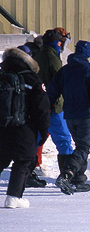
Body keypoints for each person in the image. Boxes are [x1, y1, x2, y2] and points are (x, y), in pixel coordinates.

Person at [47, 40, 90, 195]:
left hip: (70, 116)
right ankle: (67, 174)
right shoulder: (89, 70)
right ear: (88, 54)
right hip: (85, 116)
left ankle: (78, 180)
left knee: (80, 146)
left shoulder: (64, 71)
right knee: (83, 148)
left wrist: (48, 107)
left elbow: (52, 92)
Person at [0, 47, 50, 208]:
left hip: (2, 126)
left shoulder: (2, 77)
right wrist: (43, 131)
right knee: (23, 161)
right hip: (25, 128)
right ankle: (14, 197)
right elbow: (42, 107)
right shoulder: (31, 79)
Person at [33, 29, 73, 184]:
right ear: (56, 43)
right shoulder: (52, 58)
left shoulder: (37, 56)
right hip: (54, 107)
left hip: (38, 106)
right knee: (64, 140)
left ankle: (29, 172)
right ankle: (67, 174)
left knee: (36, 139)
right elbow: (60, 80)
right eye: (60, 42)